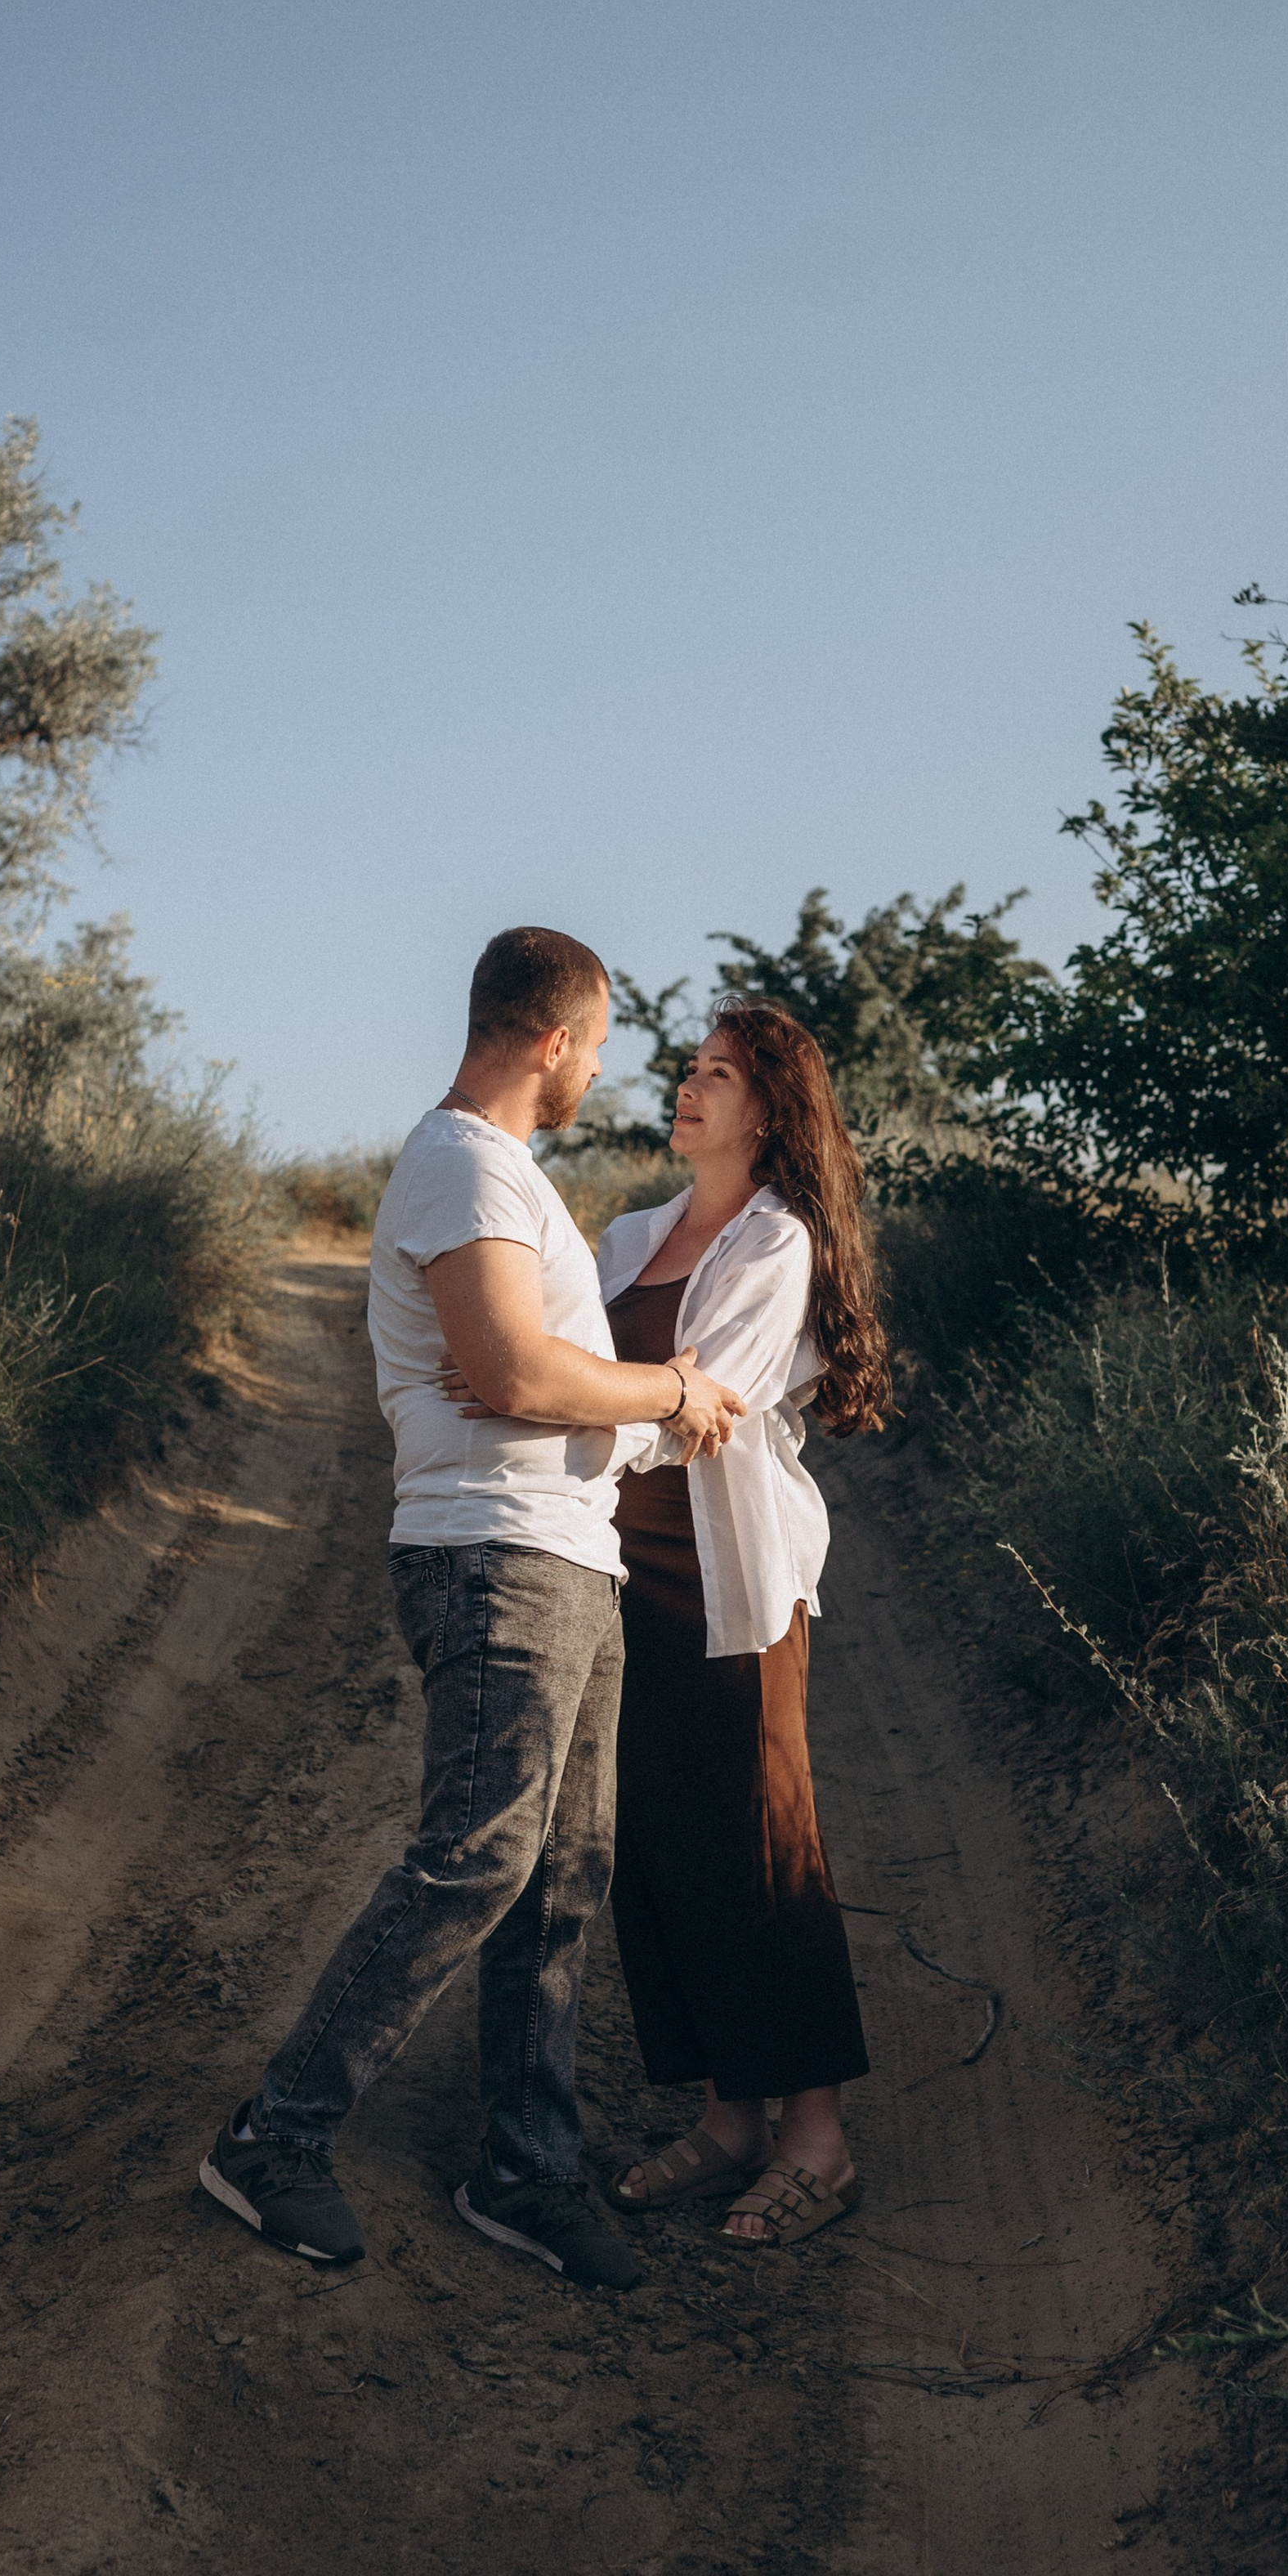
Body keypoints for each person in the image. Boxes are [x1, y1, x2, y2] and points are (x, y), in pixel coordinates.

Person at [197, 925, 744, 2289]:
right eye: (597, 1046)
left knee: (564, 1873)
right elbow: (514, 1376)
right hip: (493, 1558)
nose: (600, 1072)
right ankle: (272, 2136)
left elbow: (545, 1388)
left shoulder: (509, 1182)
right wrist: (671, 1388)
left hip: (566, 1557)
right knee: (480, 1857)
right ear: (553, 1040)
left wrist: (631, 1415)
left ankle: (525, 2169)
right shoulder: (464, 1167)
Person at [597, 1001, 892, 2247]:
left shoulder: (778, 1244)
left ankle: (818, 2141)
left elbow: (694, 1406)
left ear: (770, 1111)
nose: (689, 1086)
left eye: (718, 1074)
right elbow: (604, 1379)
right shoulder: (626, 1238)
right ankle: (732, 2120)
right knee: (660, 1843)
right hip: (617, 1574)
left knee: (765, 1847)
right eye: (689, 1068)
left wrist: (545, 1400)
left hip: (728, 1585)